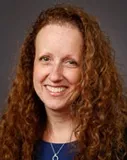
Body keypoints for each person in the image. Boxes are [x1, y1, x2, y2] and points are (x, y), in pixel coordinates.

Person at [0, 4, 127, 160]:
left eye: (70, 62)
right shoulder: (9, 139)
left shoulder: (119, 144)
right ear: (31, 65)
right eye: (45, 59)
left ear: (89, 70)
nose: (55, 76)